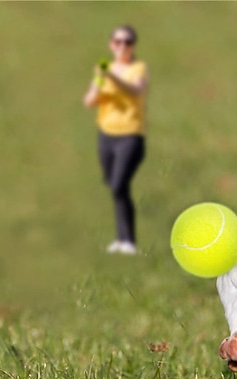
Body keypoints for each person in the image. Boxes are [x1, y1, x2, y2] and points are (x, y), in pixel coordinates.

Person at [83, 25, 147, 254]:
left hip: (129, 137)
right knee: (115, 186)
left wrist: (112, 78)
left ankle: (128, 241)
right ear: (111, 44)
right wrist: (100, 86)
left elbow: (135, 91)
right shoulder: (104, 69)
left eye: (127, 42)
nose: (122, 46)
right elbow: (89, 101)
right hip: (106, 135)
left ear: (132, 46)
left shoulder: (137, 68)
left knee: (120, 183)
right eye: (117, 42)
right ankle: (121, 239)